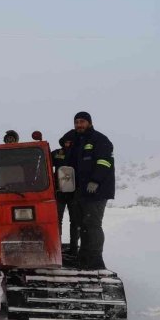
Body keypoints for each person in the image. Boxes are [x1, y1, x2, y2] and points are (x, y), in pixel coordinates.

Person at [62, 112, 115, 270]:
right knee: (82, 225)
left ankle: (95, 261)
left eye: (82, 121)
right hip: (81, 191)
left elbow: (105, 162)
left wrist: (95, 181)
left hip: (96, 190)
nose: (79, 124)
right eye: (76, 122)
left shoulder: (99, 139)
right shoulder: (78, 141)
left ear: (90, 123)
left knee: (92, 225)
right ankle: (83, 258)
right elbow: (63, 143)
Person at [51, 131, 77, 249]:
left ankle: (74, 246)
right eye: (66, 141)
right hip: (59, 192)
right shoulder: (57, 153)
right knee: (56, 221)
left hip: (74, 193)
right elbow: (44, 162)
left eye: (70, 141)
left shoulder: (79, 153)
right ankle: (57, 246)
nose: (68, 143)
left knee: (75, 221)